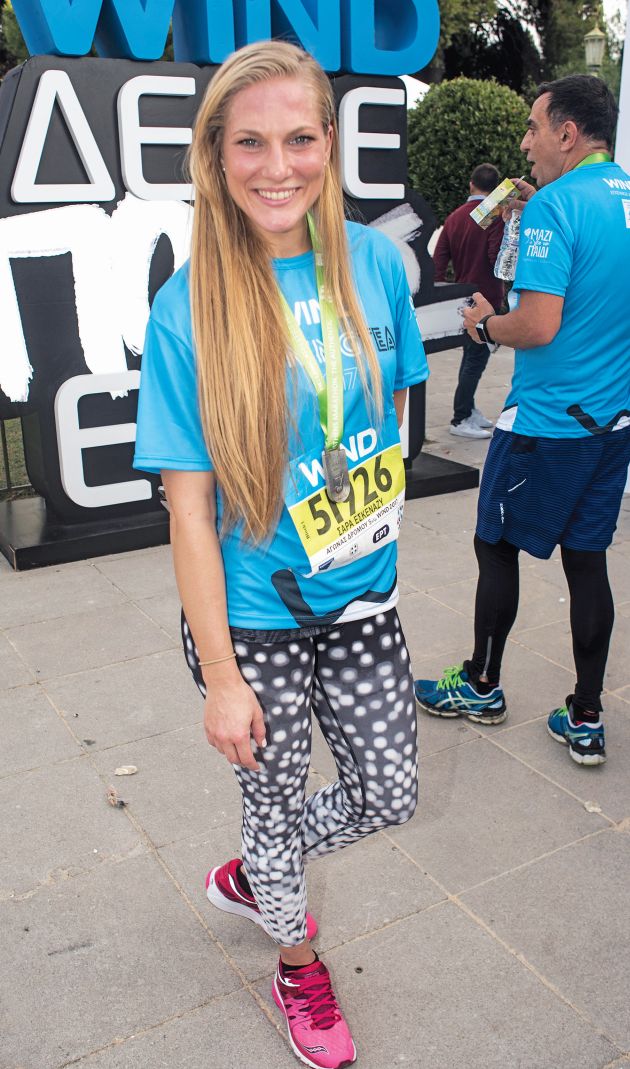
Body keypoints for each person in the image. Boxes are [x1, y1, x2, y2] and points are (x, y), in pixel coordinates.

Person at [133, 41, 427, 1069]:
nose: (277, 166)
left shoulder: (377, 263)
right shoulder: (187, 310)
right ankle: (296, 958)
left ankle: (263, 867)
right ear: (215, 156)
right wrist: (221, 677)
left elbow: (390, 413)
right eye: (249, 143)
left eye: (299, 138)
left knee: (389, 791)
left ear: (329, 144)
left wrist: (370, 529)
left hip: (361, 597)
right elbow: (187, 512)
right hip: (253, 616)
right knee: (273, 791)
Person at [414, 74, 630, 768]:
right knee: (587, 561)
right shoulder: (616, 195)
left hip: (544, 422)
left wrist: (483, 324)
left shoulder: (554, 209)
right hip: (612, 423)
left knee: (494, 546)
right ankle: (587, 716)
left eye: (534, 127)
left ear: (568, 133)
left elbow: (536, 324)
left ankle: (481, 685)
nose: (525, 142)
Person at [433, 163, 505, 439]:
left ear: (471, 184)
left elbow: (439, 261)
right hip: (487, 299)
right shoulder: (493, 215)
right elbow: (496, 257)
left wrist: (440, 294)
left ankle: (469, 409)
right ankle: (460, 417)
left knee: (470, 357)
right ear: (496, 188)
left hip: (462, 298)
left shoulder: (454, 217)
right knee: (475, 360)